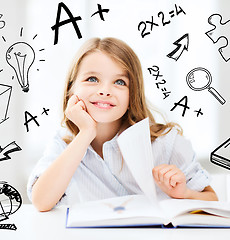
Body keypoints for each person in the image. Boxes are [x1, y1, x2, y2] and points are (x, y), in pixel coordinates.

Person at [27, 37, 217, 212]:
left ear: (132, 94)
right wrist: (86, 133)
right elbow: (41, 201)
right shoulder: (64, 144)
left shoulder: (165, 142)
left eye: (119, 82)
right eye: (92, 79)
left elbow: (212, 200)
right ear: (71, 89)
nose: (105, 90)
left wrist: (184, 194)